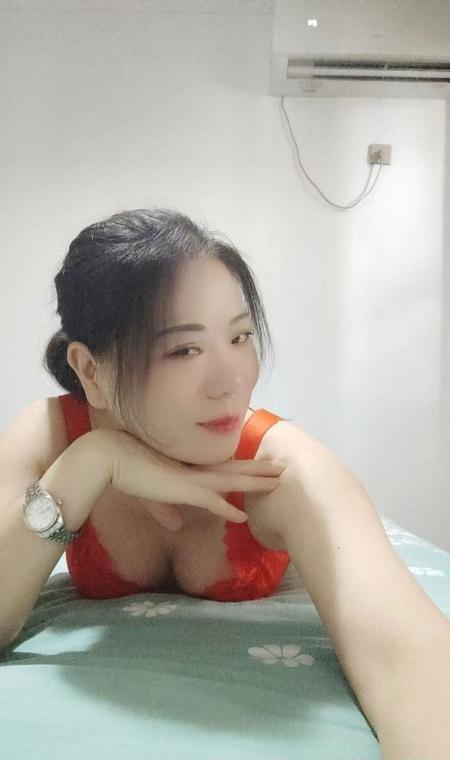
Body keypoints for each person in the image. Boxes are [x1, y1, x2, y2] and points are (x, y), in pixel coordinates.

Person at [1, 208, 449, 758]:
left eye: (240, 337)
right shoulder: (54, 435)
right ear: (92, 371)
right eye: (184, 350)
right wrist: (93, 461)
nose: (232, 381)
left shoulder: (280, 470)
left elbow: (414, 663)